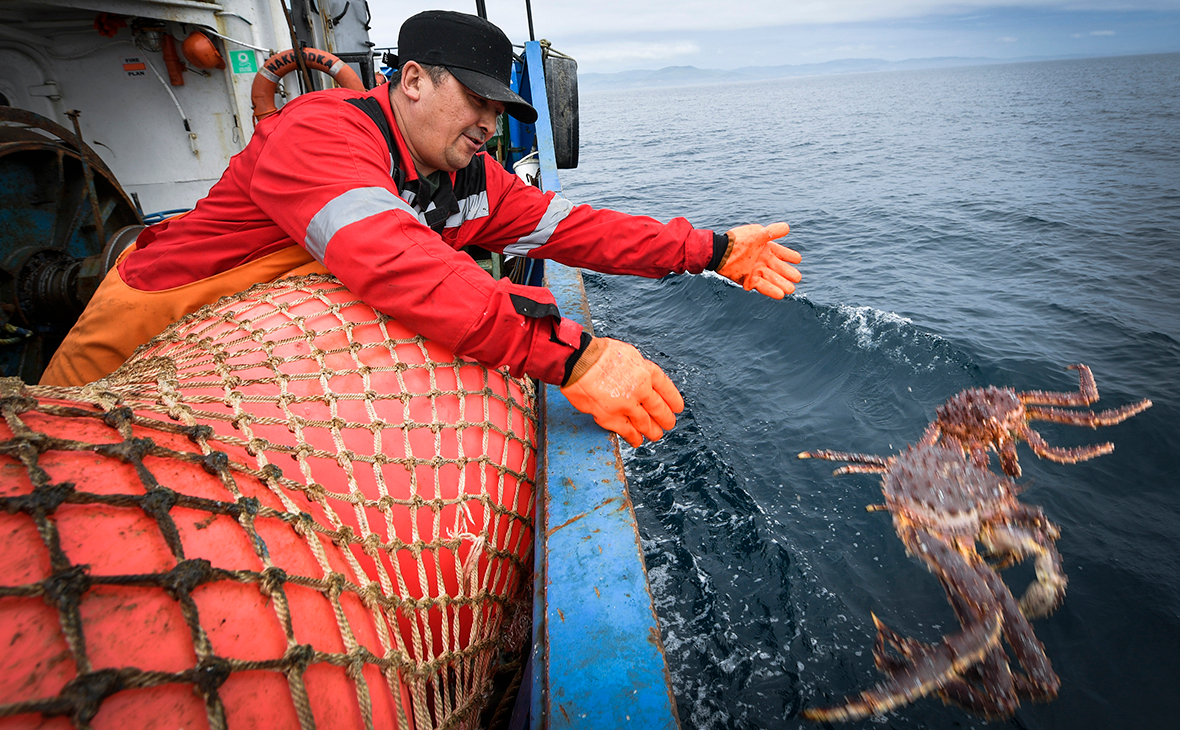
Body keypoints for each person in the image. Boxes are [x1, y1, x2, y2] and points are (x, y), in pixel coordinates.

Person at [40, 10, 802, 448]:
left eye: (501, 110)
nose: (489, 124)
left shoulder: (469, 176)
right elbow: (393, 260)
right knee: (55, 456)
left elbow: (576, 228)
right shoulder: (321, 132)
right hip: (150, 315)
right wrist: (573, 357)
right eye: (475, 101)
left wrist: (712, 249)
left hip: (237, 365)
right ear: (410, 79)